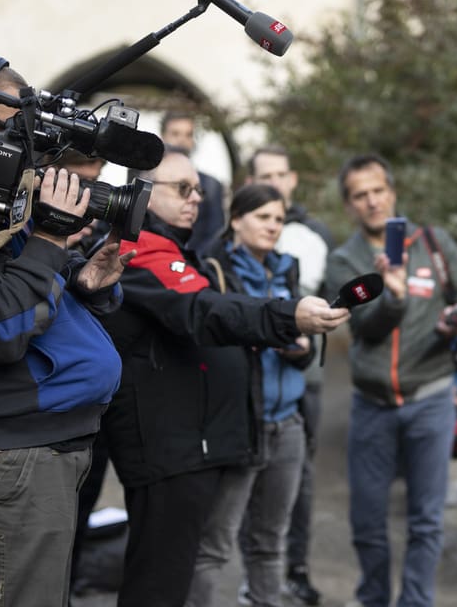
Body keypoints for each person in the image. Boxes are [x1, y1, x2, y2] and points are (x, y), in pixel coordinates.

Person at [100, 146, 349, 607]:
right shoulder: (140, 247)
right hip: (165, 448)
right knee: (161, 580)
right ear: (142, 193)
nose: (195, 198)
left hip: (189, 445)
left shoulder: (171, 246)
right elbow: (201, 310)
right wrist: (287, 315)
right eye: (182, 188)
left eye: (198, 189)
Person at [0, 58, 133, 607]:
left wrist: (84, 285)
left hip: (50, 448)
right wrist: (53, 242)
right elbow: (4, 330)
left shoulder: (11, 202)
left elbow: (30, 298)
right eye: (8, 126)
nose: (19, 139)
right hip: (17, 455)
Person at [325, 154, 457, 607]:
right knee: (367, 521)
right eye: (360, 195)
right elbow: (364, 328)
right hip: (371, 405)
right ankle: (374, 597)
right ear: (349, 205)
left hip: (430, 399)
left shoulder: (434, 243)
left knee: (426, 520)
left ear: (392, 192)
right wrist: (391, 297)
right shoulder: (345, 261)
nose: (372, 201)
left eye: (378, 190)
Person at [185, 184, 314, 607]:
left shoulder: (287, 269)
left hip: (288, 422)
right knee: (215, 545)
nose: (273, 226)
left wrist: (302, 348)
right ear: (236, 218)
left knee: (270, 542)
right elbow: (208, 338)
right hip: (240, 422)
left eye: (279, 218)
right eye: (263, 217)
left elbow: (298, 349)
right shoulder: (213, 269)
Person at [244, 145, 333, 605]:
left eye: (281, 174)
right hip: (250, 380)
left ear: (293, 179)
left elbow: (336, 297)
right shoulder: (236, 238)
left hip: (303, 376)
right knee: (246, 473)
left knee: (298, 477)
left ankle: (295, 568)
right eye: (266, 175)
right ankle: (251, 573)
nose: (275, 182)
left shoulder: (315, 235)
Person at [160, 111, 226, 255]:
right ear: (162, 137)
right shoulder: (148, 179)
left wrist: (192, 262)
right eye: (175, 134)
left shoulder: (210, 185)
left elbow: (215, 233)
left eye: (188, 134)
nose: (182, 140)